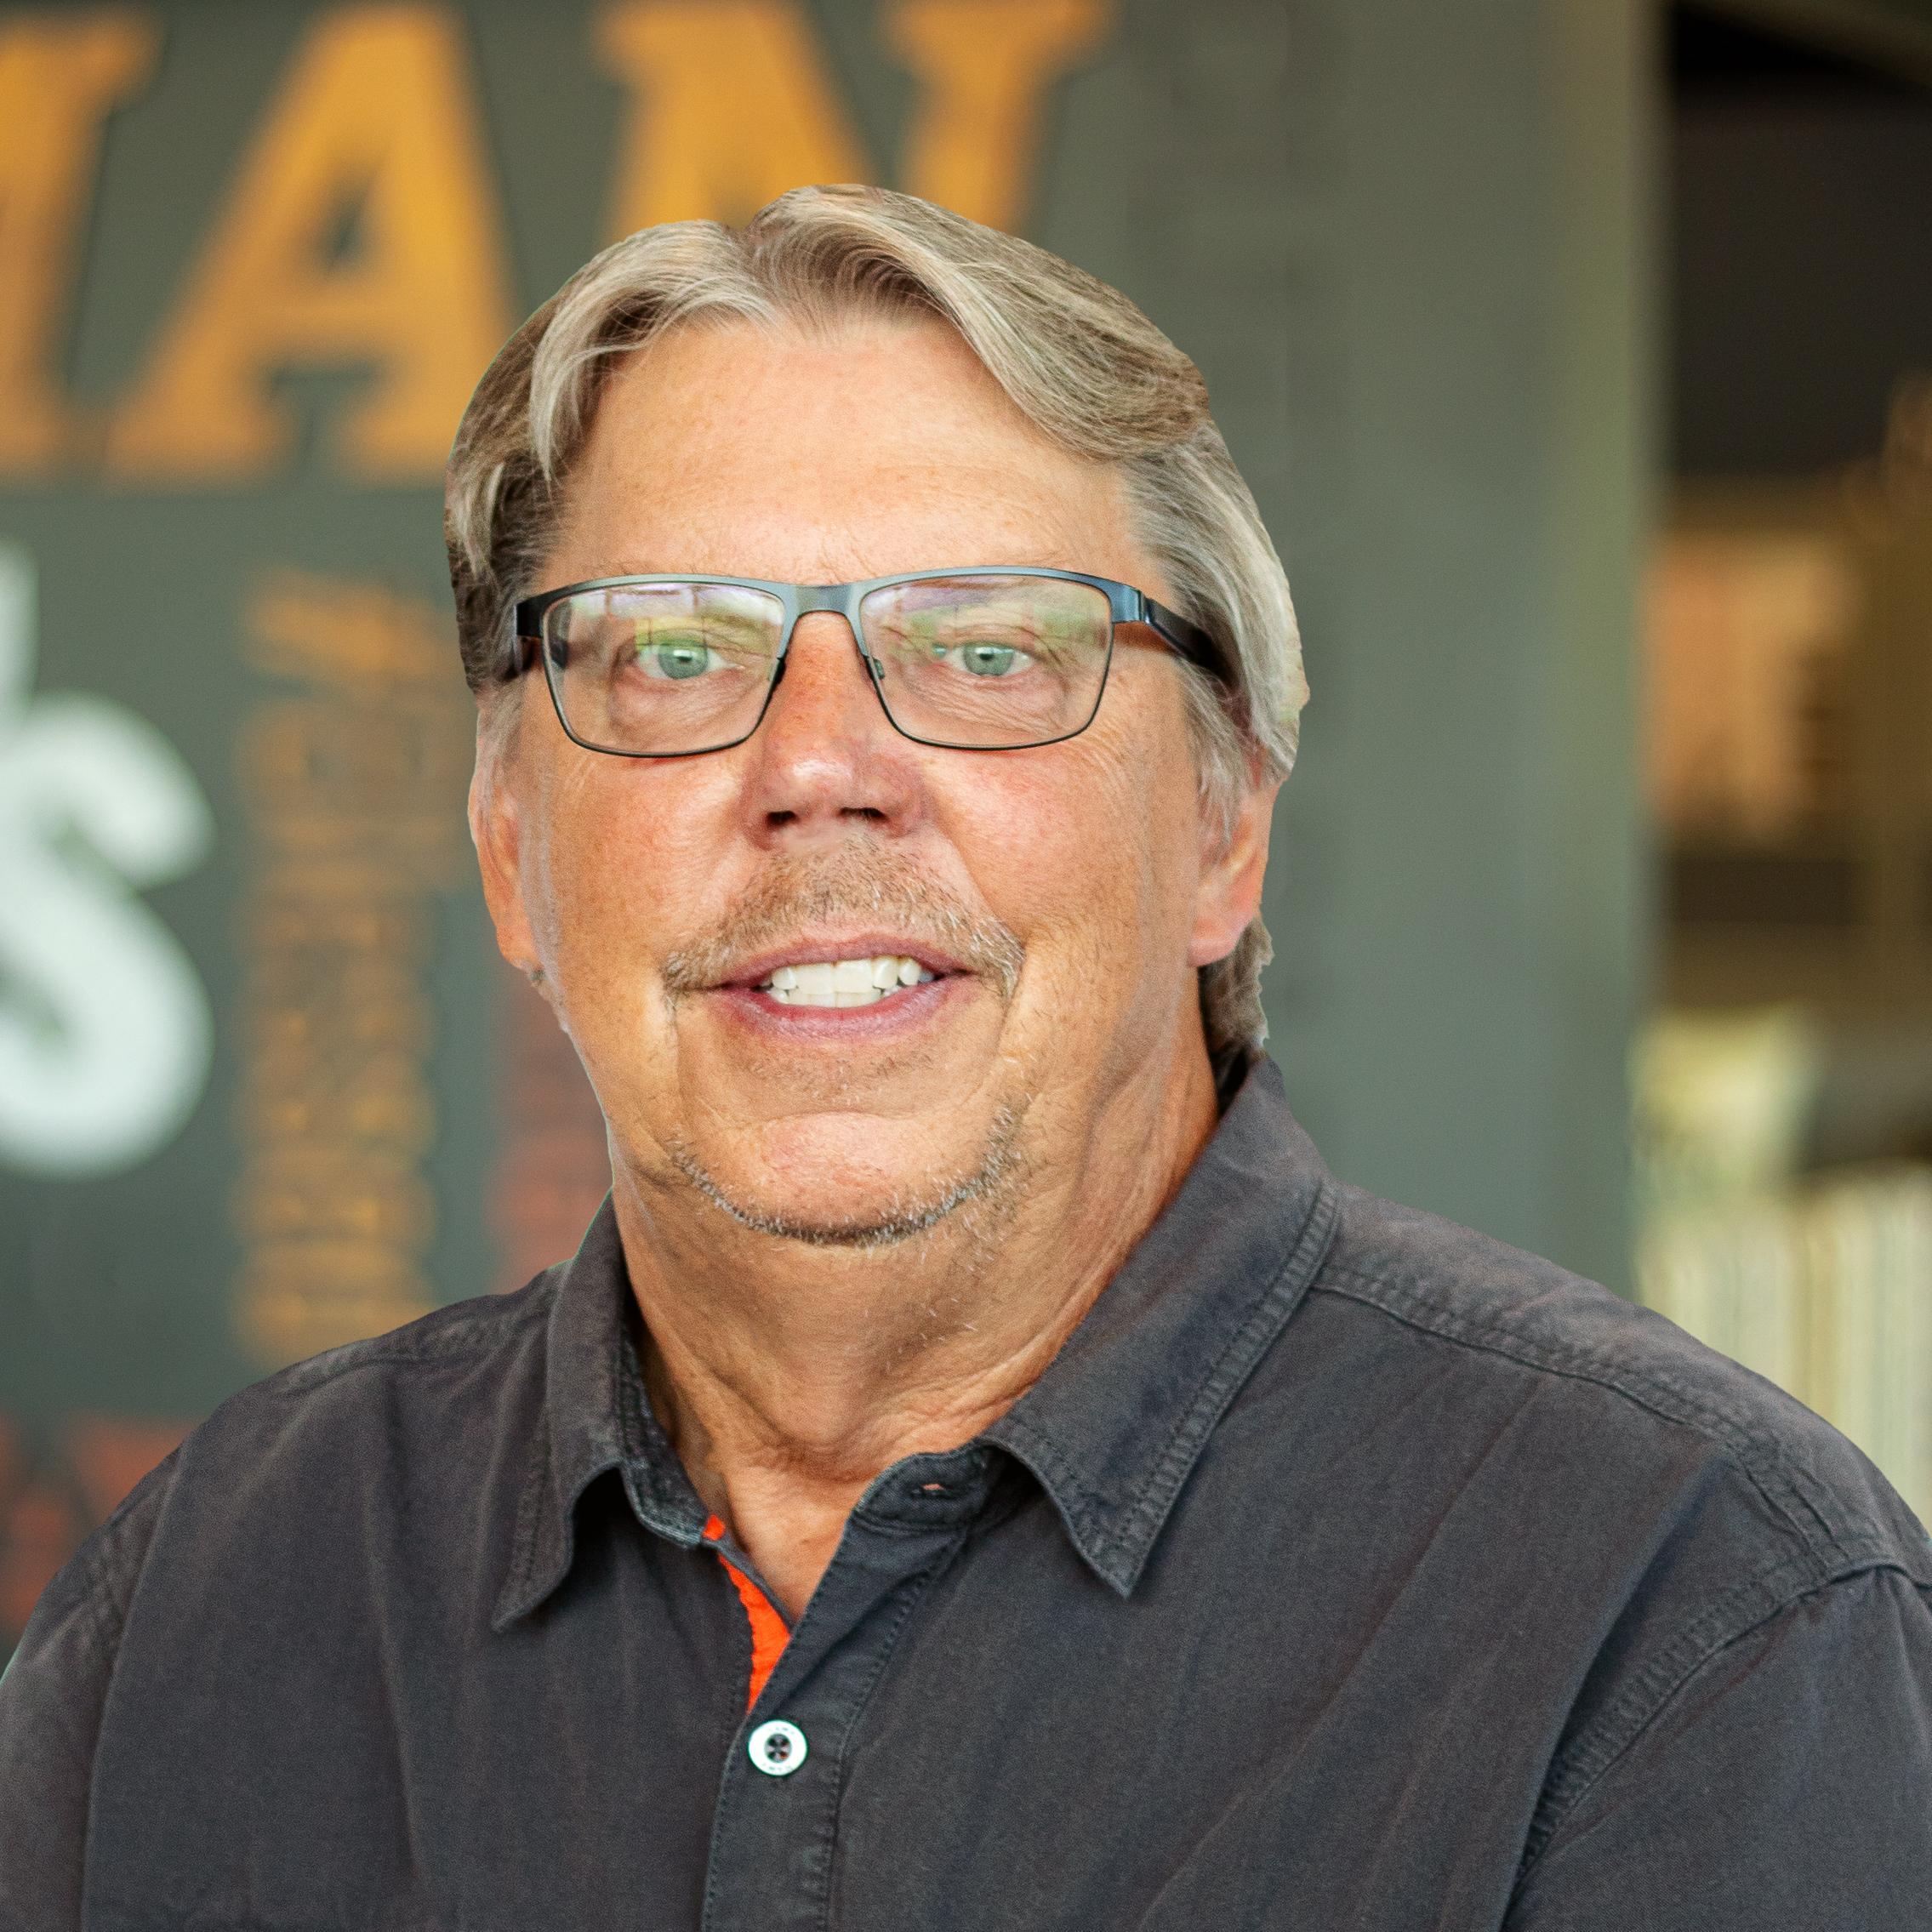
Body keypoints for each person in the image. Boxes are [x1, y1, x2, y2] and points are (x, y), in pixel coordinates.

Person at [3, 184, 1929, 1930]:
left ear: (1223, 823)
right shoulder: (207, 1612)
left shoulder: (1691, 1619)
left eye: (988, 651)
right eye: (674, 653)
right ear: (512, 846)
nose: (817, 767)